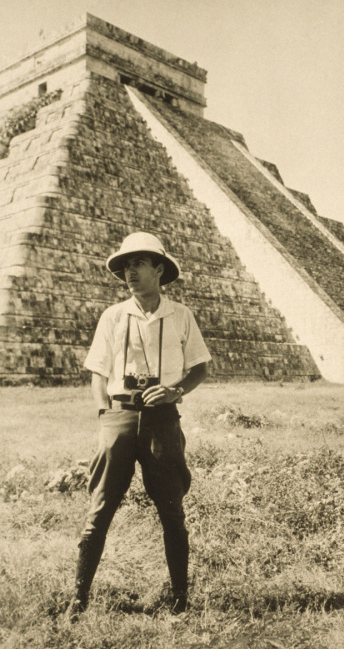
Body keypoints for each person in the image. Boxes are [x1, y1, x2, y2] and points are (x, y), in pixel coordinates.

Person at [68, 232, 211, 620]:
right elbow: (98, 370)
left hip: (163, 420)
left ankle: (180, 599)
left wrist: (175, 391)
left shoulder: (180, 315)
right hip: (119, 417)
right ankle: (77, 602)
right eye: (126, 266)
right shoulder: (113, 316)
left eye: (139, 264)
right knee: (99, 509)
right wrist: (104, 414)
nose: (130, 272)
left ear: (159, 269)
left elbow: (200, 367)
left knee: (171, 510)